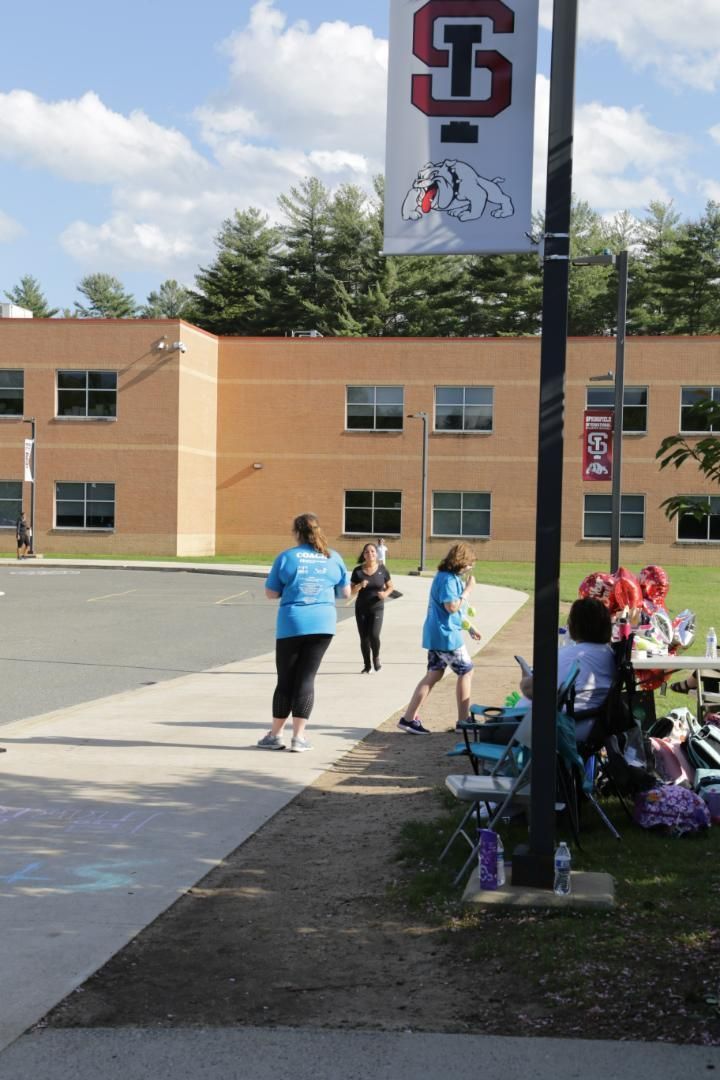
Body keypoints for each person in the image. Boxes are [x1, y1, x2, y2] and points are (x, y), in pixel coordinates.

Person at [259, 513, 350, 753]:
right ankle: (299, 737)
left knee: (286, 680)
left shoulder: (287, 557)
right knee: (306, 679)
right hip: (323, 624)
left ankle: (275, 735)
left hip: (293, 623)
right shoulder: (333, 557)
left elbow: (271, 593)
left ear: (296, 532)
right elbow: (346, 593)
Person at [397, 542, 481, 735]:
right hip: (446, 636)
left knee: (434, 673)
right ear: (461, 562)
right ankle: (463, 721)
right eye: (469, 564)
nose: (470, 568)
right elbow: (451, 607)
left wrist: (469, 627)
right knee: (466, 671)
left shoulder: (448, 577)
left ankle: (409, 718)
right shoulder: (448, 580)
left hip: (438, 633)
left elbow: (455, 612)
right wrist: (468, 590)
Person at [514, 597, 616, 744]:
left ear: (574, 625)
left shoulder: (569, 655)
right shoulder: (607, 653)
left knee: (492, 730)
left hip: (560, 726)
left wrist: (525, 679)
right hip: (590, 723)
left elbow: (532, 690)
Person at [350, 543, 393, 673]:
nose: (370, 554)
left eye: (373, 551)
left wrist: (385, 594)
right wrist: (359, 585)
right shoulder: (357, 571)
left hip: (377, 607)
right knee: (364, 638)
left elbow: (391, 586)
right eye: (367, 552)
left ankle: (376, 657)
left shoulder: (382, 569)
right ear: (364, 555)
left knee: (374, 635)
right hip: (361, 608)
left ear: (377, 553)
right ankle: (367, 665)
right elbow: (351, 591)